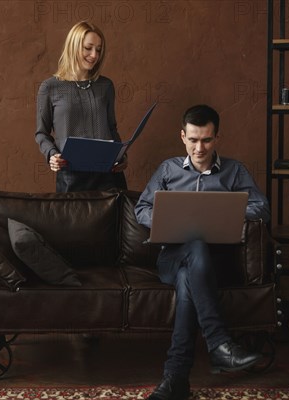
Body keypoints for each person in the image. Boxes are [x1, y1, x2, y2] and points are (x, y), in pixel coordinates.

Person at [135, 104, 270, 400]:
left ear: (217, 138)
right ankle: (220, 345)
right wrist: (162, 217)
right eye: (193, 139)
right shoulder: (167, 170)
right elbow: (141, 208)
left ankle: (176, 379)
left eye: (206, 140)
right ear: (183, 136)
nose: (199, 148)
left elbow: (262, 207)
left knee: (189, 279)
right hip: (171, 258)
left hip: (215, 261)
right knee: (191, 250)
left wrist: (230, 211)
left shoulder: (235, 171)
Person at [35, 21, 127, 192]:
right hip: (71, 177)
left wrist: (122, 157)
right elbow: (41, 133)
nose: (94, 55)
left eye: (98, 50)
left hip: (108, 176)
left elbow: (112, 129)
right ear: (73, 46)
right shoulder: (50, 87)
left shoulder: (106, 86)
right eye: (88, 48)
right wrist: (52, 155)